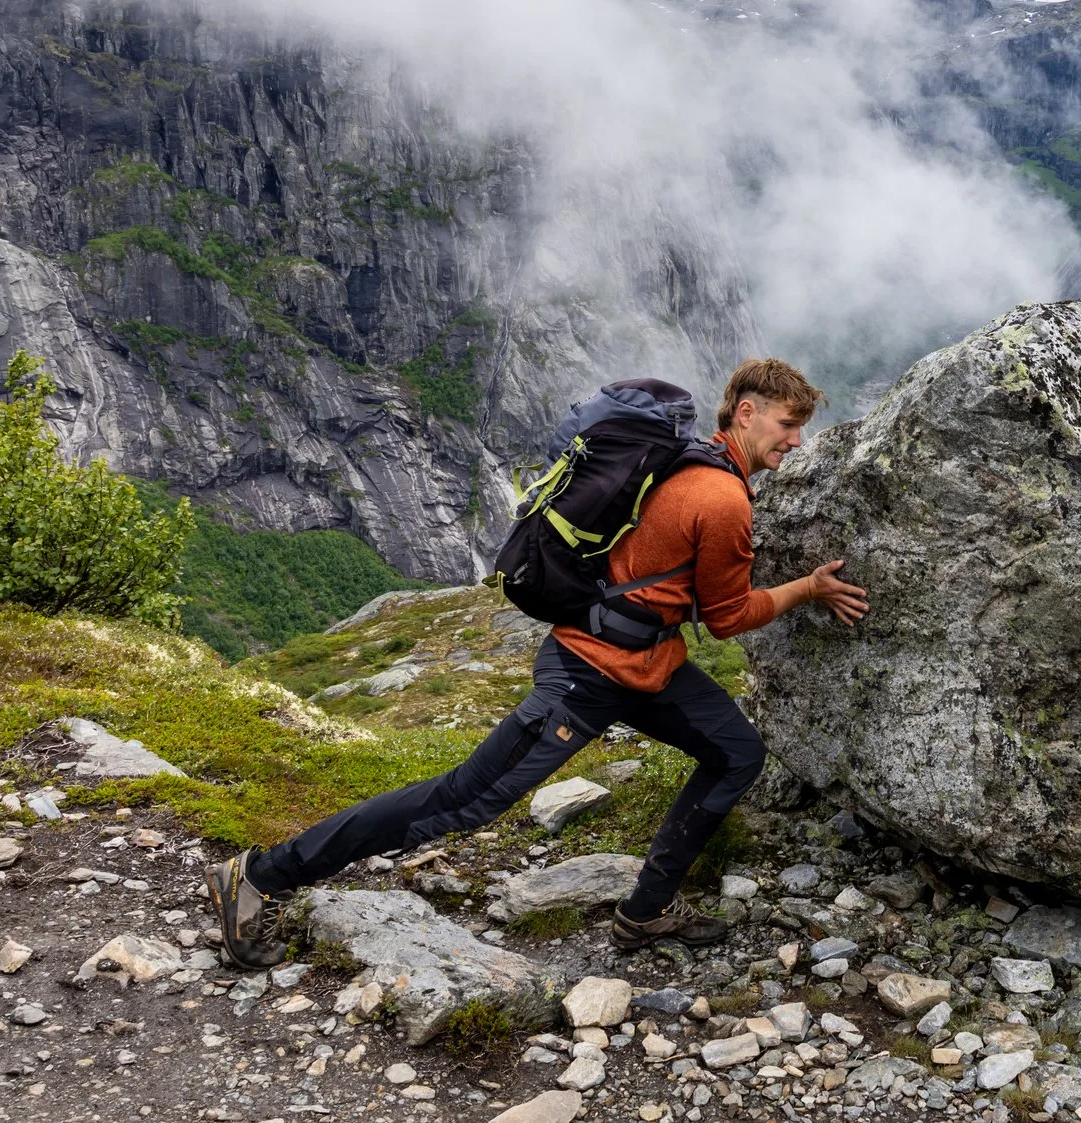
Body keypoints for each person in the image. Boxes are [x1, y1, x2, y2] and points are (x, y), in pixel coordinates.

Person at [203, 358, 868, 963]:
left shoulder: (693, 462)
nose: (795, 440)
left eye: (802, 428)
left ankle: (646, 910)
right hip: (589, 673)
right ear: (745, 412)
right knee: (463, 799)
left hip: (647, 663)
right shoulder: (721, 498)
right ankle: (261, 875)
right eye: (787, 424)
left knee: (735, 750)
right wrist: (808, 587)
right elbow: (727, 619)